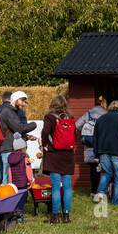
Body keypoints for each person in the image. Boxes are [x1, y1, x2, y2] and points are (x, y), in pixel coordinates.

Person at [41, 94, 77, 224]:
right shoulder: (70, 118)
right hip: (67, 155)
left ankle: (55, 216)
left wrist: (44, 144)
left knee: (56, 187)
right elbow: (74, 135)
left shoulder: (49, 117)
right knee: (67, 187)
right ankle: (66, 216)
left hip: (54, 154)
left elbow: (45, 132)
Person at [93, 100, 118, 205]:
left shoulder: (100, 119)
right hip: (117, 151)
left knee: (106, 174)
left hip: (103, 151)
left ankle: (100, 200)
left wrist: (96, 154)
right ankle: (116, 202)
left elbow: (95, 138)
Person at [0, 91, 39, 185]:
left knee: (12, 178)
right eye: (23, 100)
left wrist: (26, 137)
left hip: (11, 148)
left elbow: (13, 131)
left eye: (25, 102)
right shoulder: (8, 112)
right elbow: (19, 128)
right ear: (15, 99)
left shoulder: (12, 112)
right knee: (8, 180)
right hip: (8, 149)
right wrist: (34, 125)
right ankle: (6, 199)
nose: (24, 104)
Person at [76, 96, 108, 197]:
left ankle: (93, 192)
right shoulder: (107, 114)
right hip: (103, 145)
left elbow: (77, 125)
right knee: (105, 169)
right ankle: (102, 191)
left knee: (93, 170)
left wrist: (85, 130)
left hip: (90, 145)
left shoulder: (88, 114)